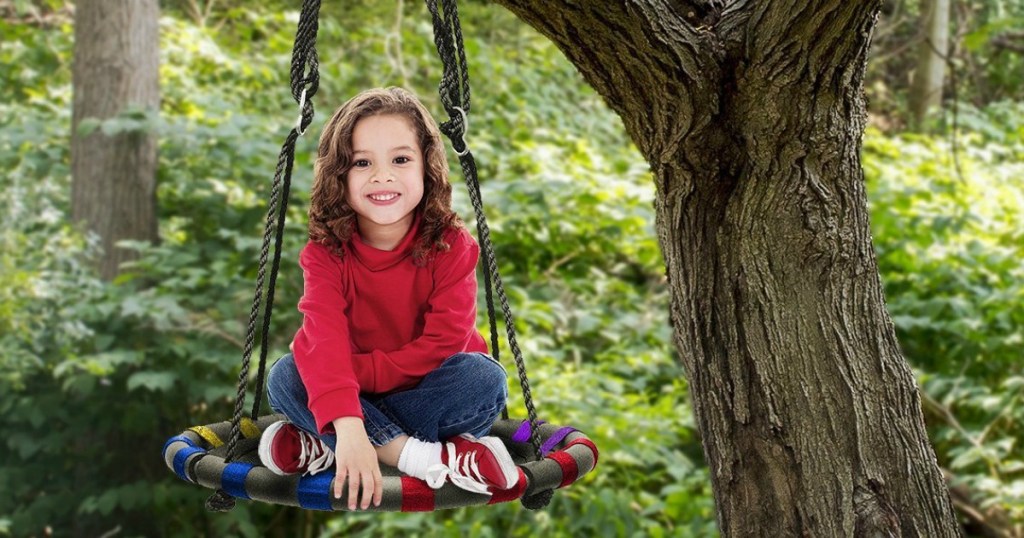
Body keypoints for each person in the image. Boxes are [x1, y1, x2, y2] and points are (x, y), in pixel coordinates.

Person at [257, 87, 518, 511]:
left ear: (427, 169)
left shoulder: (451, 246)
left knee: (484, 380)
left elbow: (444, 345)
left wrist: (353, 391)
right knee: (286, 376)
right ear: (339, 175)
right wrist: (346, 406)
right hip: (352, 396)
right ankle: (429, 458)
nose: (382, 176)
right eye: (362, 162)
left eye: (400, 159)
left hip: (427, 390)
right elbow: (323, 340)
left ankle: (324, 443)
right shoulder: (326, 254)